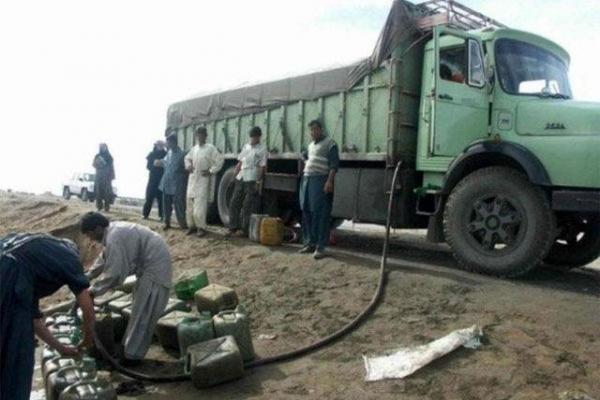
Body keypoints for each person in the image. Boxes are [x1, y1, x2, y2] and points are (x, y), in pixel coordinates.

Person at [0, 233, 95, 400]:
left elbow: (34, 321)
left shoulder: (33, 259)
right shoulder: (69, 257)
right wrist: (88, 337)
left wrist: (60, 347)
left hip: (7, 273)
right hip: (7, 278)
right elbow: (86, 303)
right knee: (16, 353)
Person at [80, 212, 173, 364]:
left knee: (144, 314)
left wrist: (93, 291)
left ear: (97, 228)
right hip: (148, 268)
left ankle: (132, 357)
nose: (90, 239)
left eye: (90, 234)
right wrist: (87, 276)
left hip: (155, 269)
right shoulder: (112, 233)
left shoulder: (114, 237)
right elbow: (104, 259)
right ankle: (129, 350)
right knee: (139, 311)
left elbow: (115, 273)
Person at [298, 120, 339, 259]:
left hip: (321, 180)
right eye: (311, 130)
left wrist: (329, 182)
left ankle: (321, 247)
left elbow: (334, 165)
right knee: (307, 211)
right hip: (308, 180)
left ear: (321, 129)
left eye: (315, 129)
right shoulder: (310, 145)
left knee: (321, 214)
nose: (313, 132)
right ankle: (310, 243)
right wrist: (305, 159)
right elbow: (306, 157)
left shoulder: (330, 143)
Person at [228, 126, 267, 237]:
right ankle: (233, 227)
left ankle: (245, 230)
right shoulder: (246, 147)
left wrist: (258, 181)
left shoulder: (262, 149)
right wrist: (233, 177)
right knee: (234, 202)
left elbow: (262, 167)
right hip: (241, 177)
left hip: (252, 178)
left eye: (255, 137)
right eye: (252, 137)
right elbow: (239, 163)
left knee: (247, 205)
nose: (254, 139)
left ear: (259, 137)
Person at [184, 127, 224, 237]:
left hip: (203, 179)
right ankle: (191, 226)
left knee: (200, 206)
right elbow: (187, 158)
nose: (200, 137)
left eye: (202, 135)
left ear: (206, 136)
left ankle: (201, 228)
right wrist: (188, 166)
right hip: (192, 179)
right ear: (196, 136)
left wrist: (211, 171)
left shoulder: (210, 148)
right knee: (189, 204)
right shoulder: (194, 149)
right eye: (198, 135)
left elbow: (220, 160)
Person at [156, 134, 188, 230]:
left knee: (179, 204)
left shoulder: (182, 153)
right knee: (166, 204)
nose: (167, 144)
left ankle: (182, 224)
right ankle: (167, 222)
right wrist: (159, 162)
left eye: (169, 142)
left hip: (177, 183)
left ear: (174, 142)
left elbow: (188, 163)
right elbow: (165, 162)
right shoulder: (169, 153)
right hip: (167, 181)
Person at [143, 140, 167, 220]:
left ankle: (161, 216)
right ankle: (145, 214)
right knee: (149, 197)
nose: (160, 146)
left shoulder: (166, 154)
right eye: (158, 145)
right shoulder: (152, 154)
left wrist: (162, 165)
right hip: (152, 179)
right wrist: (154, 164)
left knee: (161, 198)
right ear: (156, 145)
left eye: (161, 145)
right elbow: (148, 166)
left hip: (162, 179)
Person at [93, 143, 116, 212]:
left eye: (104, 147)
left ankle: (107, 207)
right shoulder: (97, 156)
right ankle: (99, 206)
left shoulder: (109, 156)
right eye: (102, 147)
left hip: (107, 177)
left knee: (107, 192)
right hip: (99, 176)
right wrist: (99, 163)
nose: (103, 148)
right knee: (98, 192)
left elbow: (111, 167)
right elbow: (94, 164)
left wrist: (112, 176)